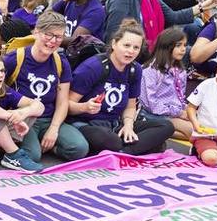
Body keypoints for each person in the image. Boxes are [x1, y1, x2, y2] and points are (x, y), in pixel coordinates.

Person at [68, 25, 175, 155]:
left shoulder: (135, 69)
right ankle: (132, 148)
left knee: (166, 126)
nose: (131, 51)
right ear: (114, 43)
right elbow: (66, 104)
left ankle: (123, 152)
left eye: (136, 48)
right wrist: (85, 107)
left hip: (115, 124)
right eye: (126, 45)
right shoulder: (93, 67)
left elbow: (130, 107)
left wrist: (128, 126)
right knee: (112, 141)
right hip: (87, 123)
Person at [3, 11, 89, 162]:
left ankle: (51, 147)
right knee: (32, 155)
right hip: (24, 118)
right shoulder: (15, 58)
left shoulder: (61, 62)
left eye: (58, 37)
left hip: (48, 118)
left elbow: (62, 102)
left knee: (80, 148)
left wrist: (54, 129)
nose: (52, 41)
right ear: (36, 32)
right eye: (48, 34)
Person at [140, 27, 194, 139]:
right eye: (178, 45)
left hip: (174, 113)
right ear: (166, 46)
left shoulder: (181, 71)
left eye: (184, 45)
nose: (183, 49)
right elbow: (150, 104)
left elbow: (180, 98)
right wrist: (178, 114)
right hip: (152, 114)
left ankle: (162, 131)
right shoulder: (151, 71)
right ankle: (153, 129)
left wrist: (186, 111)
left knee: (202, 125)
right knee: (193, 131)